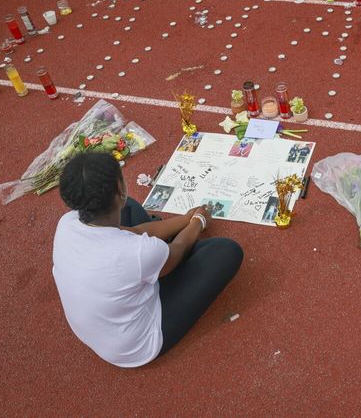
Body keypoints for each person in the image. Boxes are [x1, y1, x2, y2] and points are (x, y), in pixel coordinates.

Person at [53, 152, 243, 367]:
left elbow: (136, 231)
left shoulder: (67, 223)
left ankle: (158, 256)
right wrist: (198, 221)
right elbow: (177, 251)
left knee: (131, 208)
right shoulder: (136, 252)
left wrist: (184, 219)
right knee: (225, 251)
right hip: (138, 346)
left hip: (105, 327)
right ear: (120, 189)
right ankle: (160, 257)